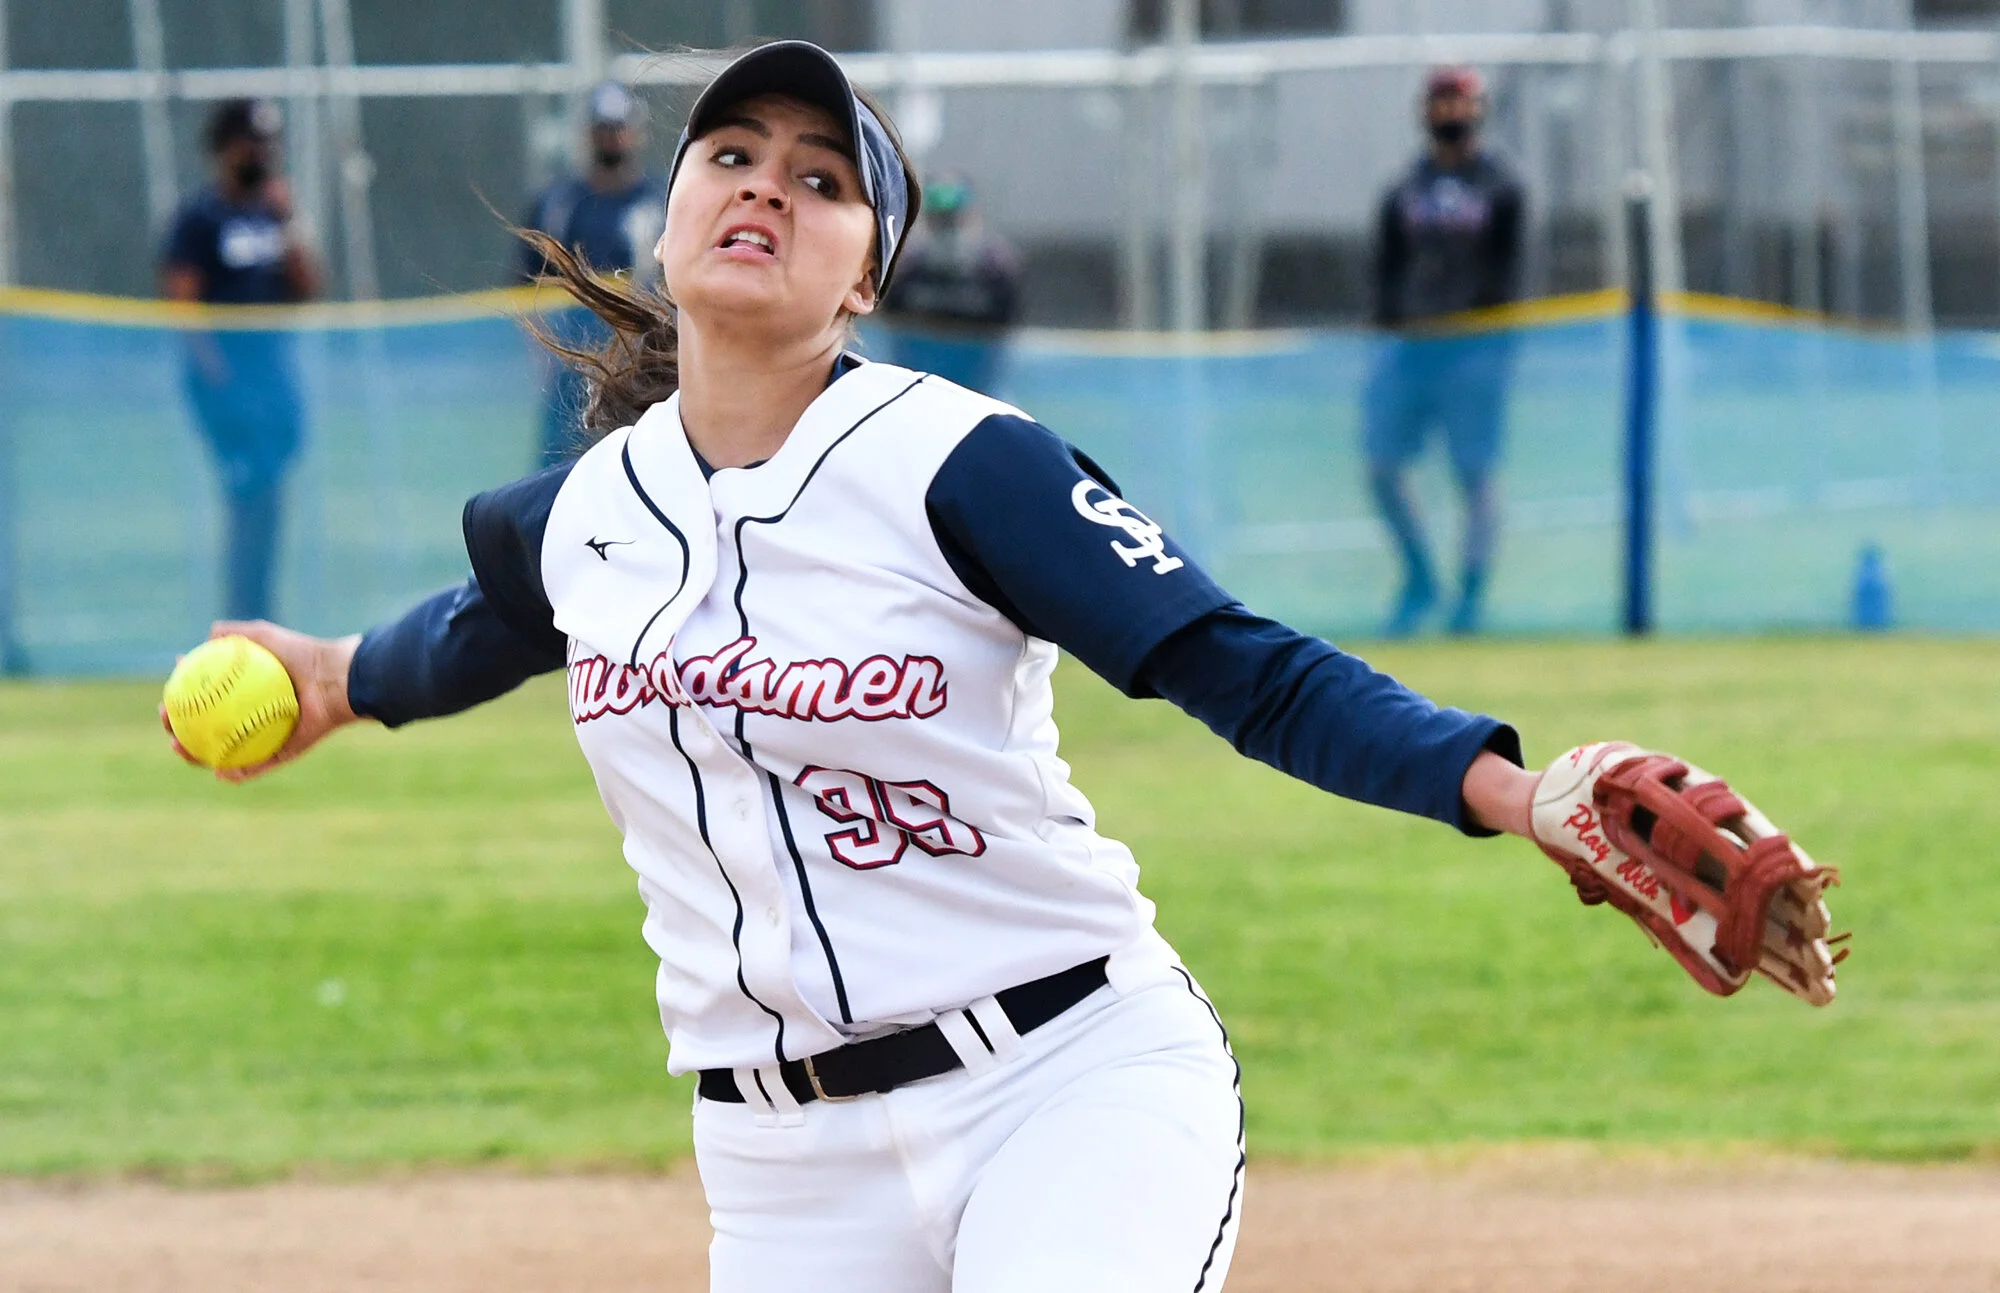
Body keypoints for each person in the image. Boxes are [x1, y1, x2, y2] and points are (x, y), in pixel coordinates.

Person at [169, 41, 1576, 1291]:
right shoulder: (585, 518)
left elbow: (1239, 665)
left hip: (1062, 1083)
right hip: (782, 1171)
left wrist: (1517, 794)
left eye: (821, 180)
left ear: (863, 278)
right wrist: (333, 680)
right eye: (731, 157)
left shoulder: (960, 465)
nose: (765, 190)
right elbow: (467, 633)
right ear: (669, 219)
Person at [1364, 65, 1524, 637]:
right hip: (1411, 351)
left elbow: (1509, 272)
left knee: (1474, 472)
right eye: (1440, 103)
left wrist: (1495, 348)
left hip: (1474, 352)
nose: (1450, 114)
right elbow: (1386, 268)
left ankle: (1470, 596)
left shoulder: (1500, 187)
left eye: (1461, 103)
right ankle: (1421, 577)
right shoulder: (1406, 188)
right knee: (1383, 467)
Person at [160, 98, 321, 623]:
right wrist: (219, 381)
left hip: (274, 380)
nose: (261, 154)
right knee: (248, 496)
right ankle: (242, 614)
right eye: (251, 143)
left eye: (267, 144)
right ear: (225, 147)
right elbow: (183, 306)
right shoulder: (200, 218)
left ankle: (257, 612)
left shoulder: (272, 213)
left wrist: (291, 220)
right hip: (229, 386)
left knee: (268, 501)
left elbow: (308, 288)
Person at [521, 81, 671, 464]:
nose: (612, 138)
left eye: (619, 127)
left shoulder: (659, 203)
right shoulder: (557, 204)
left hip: (642, 358)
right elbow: (526, 284)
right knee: (561, 459)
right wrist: (544, 355)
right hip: (569, 362)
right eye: (603, 128)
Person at [877, 173, 1020, 396]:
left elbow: (1007, 328)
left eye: (954, 220)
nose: (947, 230)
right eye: (939, 221)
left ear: (973, 218)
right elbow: (888, 323)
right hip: (916, 386)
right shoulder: (907, 271)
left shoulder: (995, 271)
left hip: (978, 387)